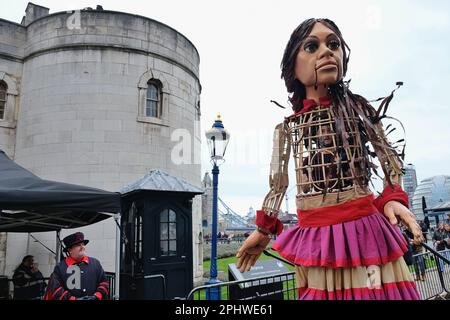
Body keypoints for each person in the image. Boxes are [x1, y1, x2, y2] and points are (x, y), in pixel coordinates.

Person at [236, 18, 423, 300]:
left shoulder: (360, 112)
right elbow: (278, 185)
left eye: (333, 44)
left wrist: (393, 197)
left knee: (372, 290)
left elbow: (390, 162)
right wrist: (264, 230)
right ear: (293, 67)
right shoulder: (287, 129)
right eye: (312, 46)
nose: (326, 52)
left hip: (365, 235)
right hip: (317, 240)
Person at [43, 232, 109, 300]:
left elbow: (104, 282)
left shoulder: (95, 263)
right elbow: (56, 289)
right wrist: (72, 299)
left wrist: (97, 296)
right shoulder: (60, 267)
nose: (82, 247)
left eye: (83, 244)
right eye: (78, 245)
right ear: (70, 250)